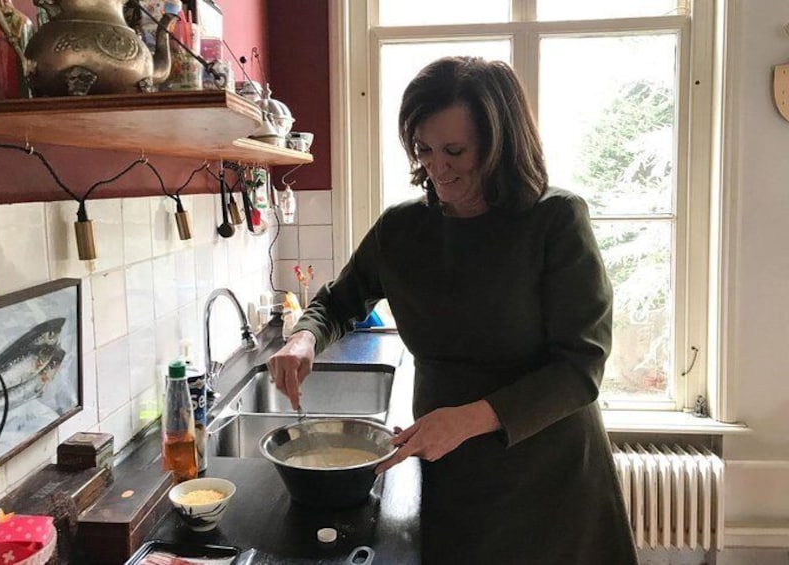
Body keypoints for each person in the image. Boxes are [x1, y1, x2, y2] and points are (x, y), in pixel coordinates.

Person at [266, 56, 638, 565]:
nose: (435, 168)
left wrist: (466, 420)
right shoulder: (402, 229)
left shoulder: (554, 220)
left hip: (547, 476)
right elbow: (338, 301)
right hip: (447, 467)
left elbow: (581, 366)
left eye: (455, 150)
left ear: (500, 144)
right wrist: (304, 337)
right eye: (423, 149)